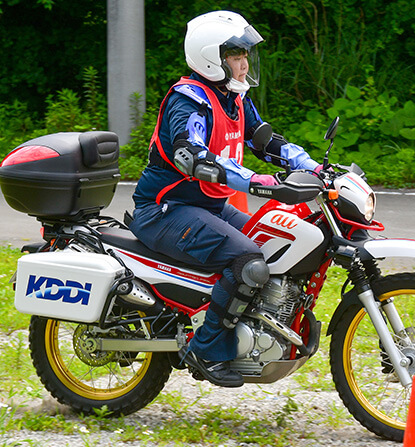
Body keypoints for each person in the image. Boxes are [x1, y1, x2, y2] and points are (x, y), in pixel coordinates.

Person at [129, 10, 321, 387]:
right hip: (164, 210)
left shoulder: (232, 97)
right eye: (236, 55)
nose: (245, 63)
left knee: (272, 243)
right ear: (211, 57)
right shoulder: (190, 101)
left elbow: (266, 141)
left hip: (207, 208)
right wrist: (257, 182)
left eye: (245, 54)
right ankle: (207, 347)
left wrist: (314, 168)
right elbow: (193, 155)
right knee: (247, 261)